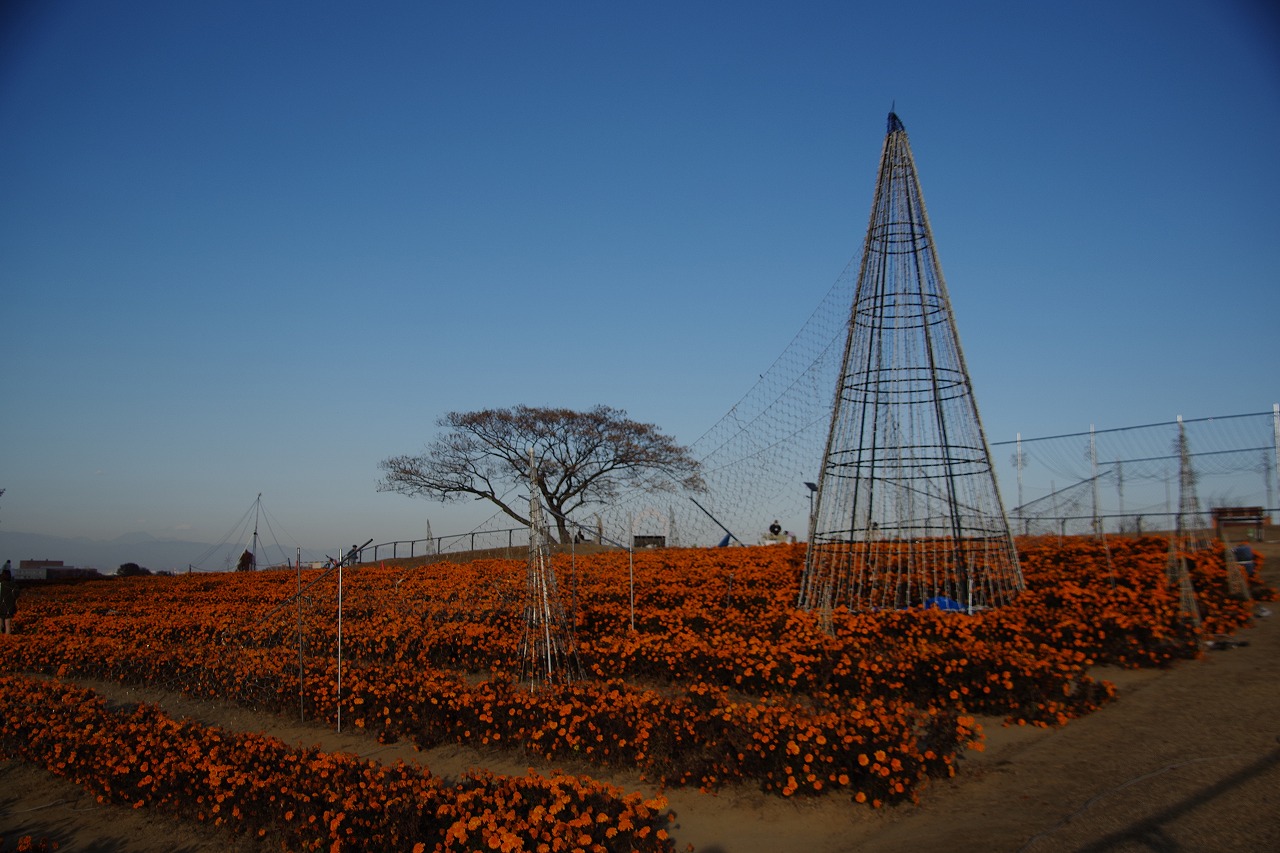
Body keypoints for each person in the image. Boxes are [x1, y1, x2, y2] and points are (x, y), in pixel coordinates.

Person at [0, 564, 18, 635]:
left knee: (0, 624)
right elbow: (16, 596)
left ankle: (2, 641)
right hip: (10, 607)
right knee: (8, 626)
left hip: (0, 607)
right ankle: (8, 640)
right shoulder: (14, 586)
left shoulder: (1, 585)